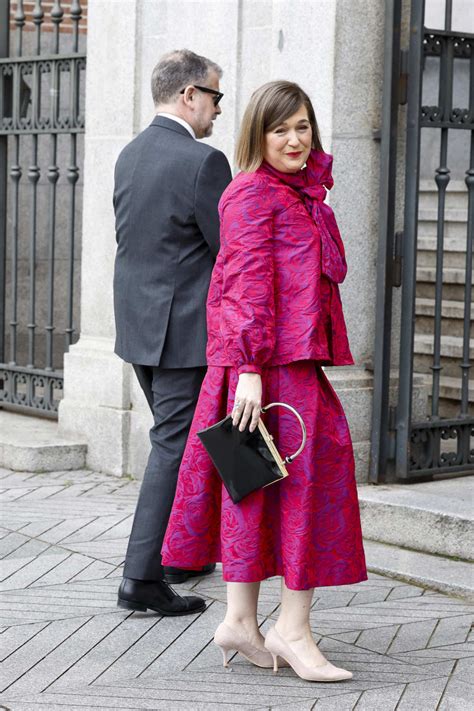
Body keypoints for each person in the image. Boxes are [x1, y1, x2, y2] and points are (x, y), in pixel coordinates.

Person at [161, 80, 367, 680]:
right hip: (266, 371)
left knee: (265, 491)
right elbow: (242, 286)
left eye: (303, 127)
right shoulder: (252, 194)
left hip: (288, 366)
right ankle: (291, 629)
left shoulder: (302, 196)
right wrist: (247, 370)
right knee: (297, 488)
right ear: (258, 135)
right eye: (281, 129)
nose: (296, 139)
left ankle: (242, 622)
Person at [113, 49, 232, 616]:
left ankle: (184, 554)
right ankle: (141, 577)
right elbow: (229, 254)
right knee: (173, 446)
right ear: (188, 95)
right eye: (214, 96)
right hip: (182, 331)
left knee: (175, 442)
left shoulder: (129, 154)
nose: (217, 110)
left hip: (138, 326)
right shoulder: (203, 161)